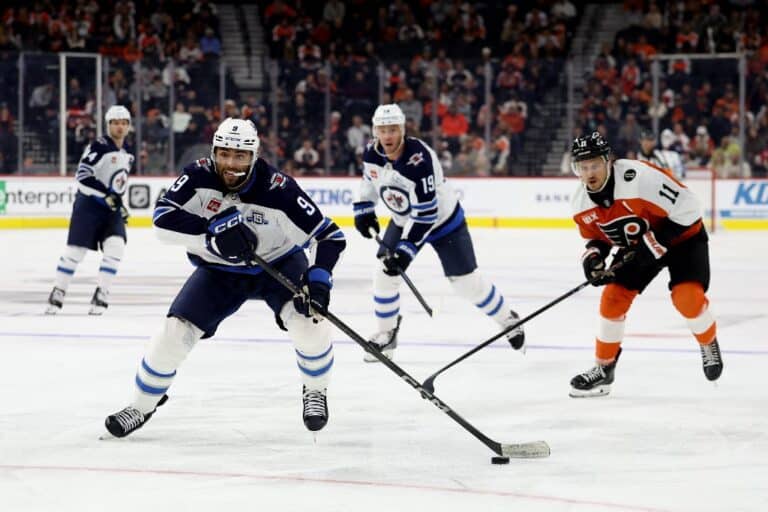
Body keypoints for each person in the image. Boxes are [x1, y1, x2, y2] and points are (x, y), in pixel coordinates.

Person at [103, 118, 346, 437]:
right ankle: (140, 405)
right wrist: (210, 231)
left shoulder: (279, 189)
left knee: (308, 323)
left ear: (255, 156)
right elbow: (162, 220)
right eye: (225, 154)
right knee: (174, 333)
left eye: (241, 156)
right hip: (219, 270)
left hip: (279, 264)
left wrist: (318, 281)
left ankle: (315, 390)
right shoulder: (197, 174)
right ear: (214, 151)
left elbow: (330, 237)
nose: (231, 164)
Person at [352, 104, 524, 363]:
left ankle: (507, 318)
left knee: (466, 283)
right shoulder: (371, 153)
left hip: (443, 223)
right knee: (384, 274)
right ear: (375, 131)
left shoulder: (419, 158)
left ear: (402, 130)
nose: (387, 136)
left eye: (393, 130)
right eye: (382, 130)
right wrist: (364, 208)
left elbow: (426, 214)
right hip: (403, 219)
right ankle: (387, 334)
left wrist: (405, 252)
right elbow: (369, 182)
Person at [568, 131, 723, 398]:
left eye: (594, 164)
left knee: (687, 299)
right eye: (583, 167)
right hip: (641, 247)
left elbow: (691, 207)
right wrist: (593, 259)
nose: (589, 172)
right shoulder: (580, 203)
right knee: (613, 298)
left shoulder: (639, 178)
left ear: (608, 161)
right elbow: (598, 238)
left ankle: (708, 342)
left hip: (683, 237)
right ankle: (604, 369)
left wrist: (655, 243)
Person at [45, 105, 134, 315]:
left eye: (124, 123)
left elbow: (117, 183)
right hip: (88, 207)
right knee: (76, 251)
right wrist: (107, 195)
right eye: (115, 123)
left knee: (116, 246)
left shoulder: (128, 151)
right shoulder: (99, 146)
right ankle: (59, 290)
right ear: (108, 124)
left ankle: (102, 293)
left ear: (129, 126)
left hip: (110, 209)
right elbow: (83, 176)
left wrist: (118, 204)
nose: (120, 127)